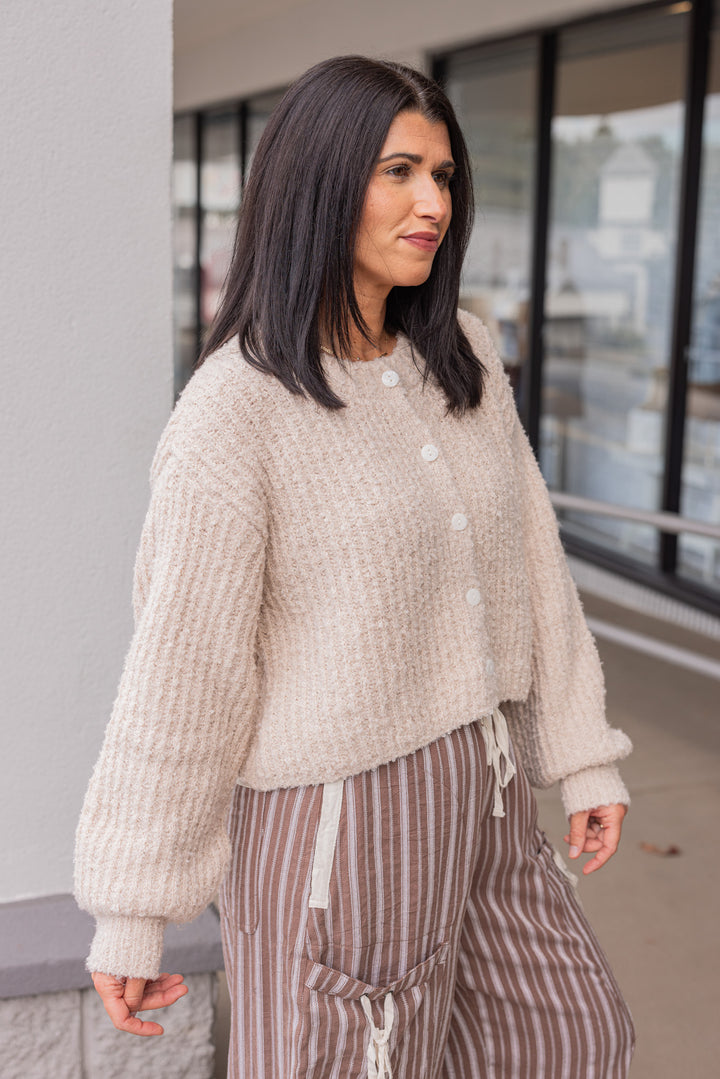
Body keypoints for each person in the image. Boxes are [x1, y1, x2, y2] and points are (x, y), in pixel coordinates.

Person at [75, 56, 635, 1078]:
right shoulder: (236, 412)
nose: (434, 203)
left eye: (446, 176)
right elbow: (184, 669)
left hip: (488, 782)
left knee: (566, 1036)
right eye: (400, 172)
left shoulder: (460, 355)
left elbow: (530, 562)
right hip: (342, 817)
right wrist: (136, 905)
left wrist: (579, 749)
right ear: (323, 184)